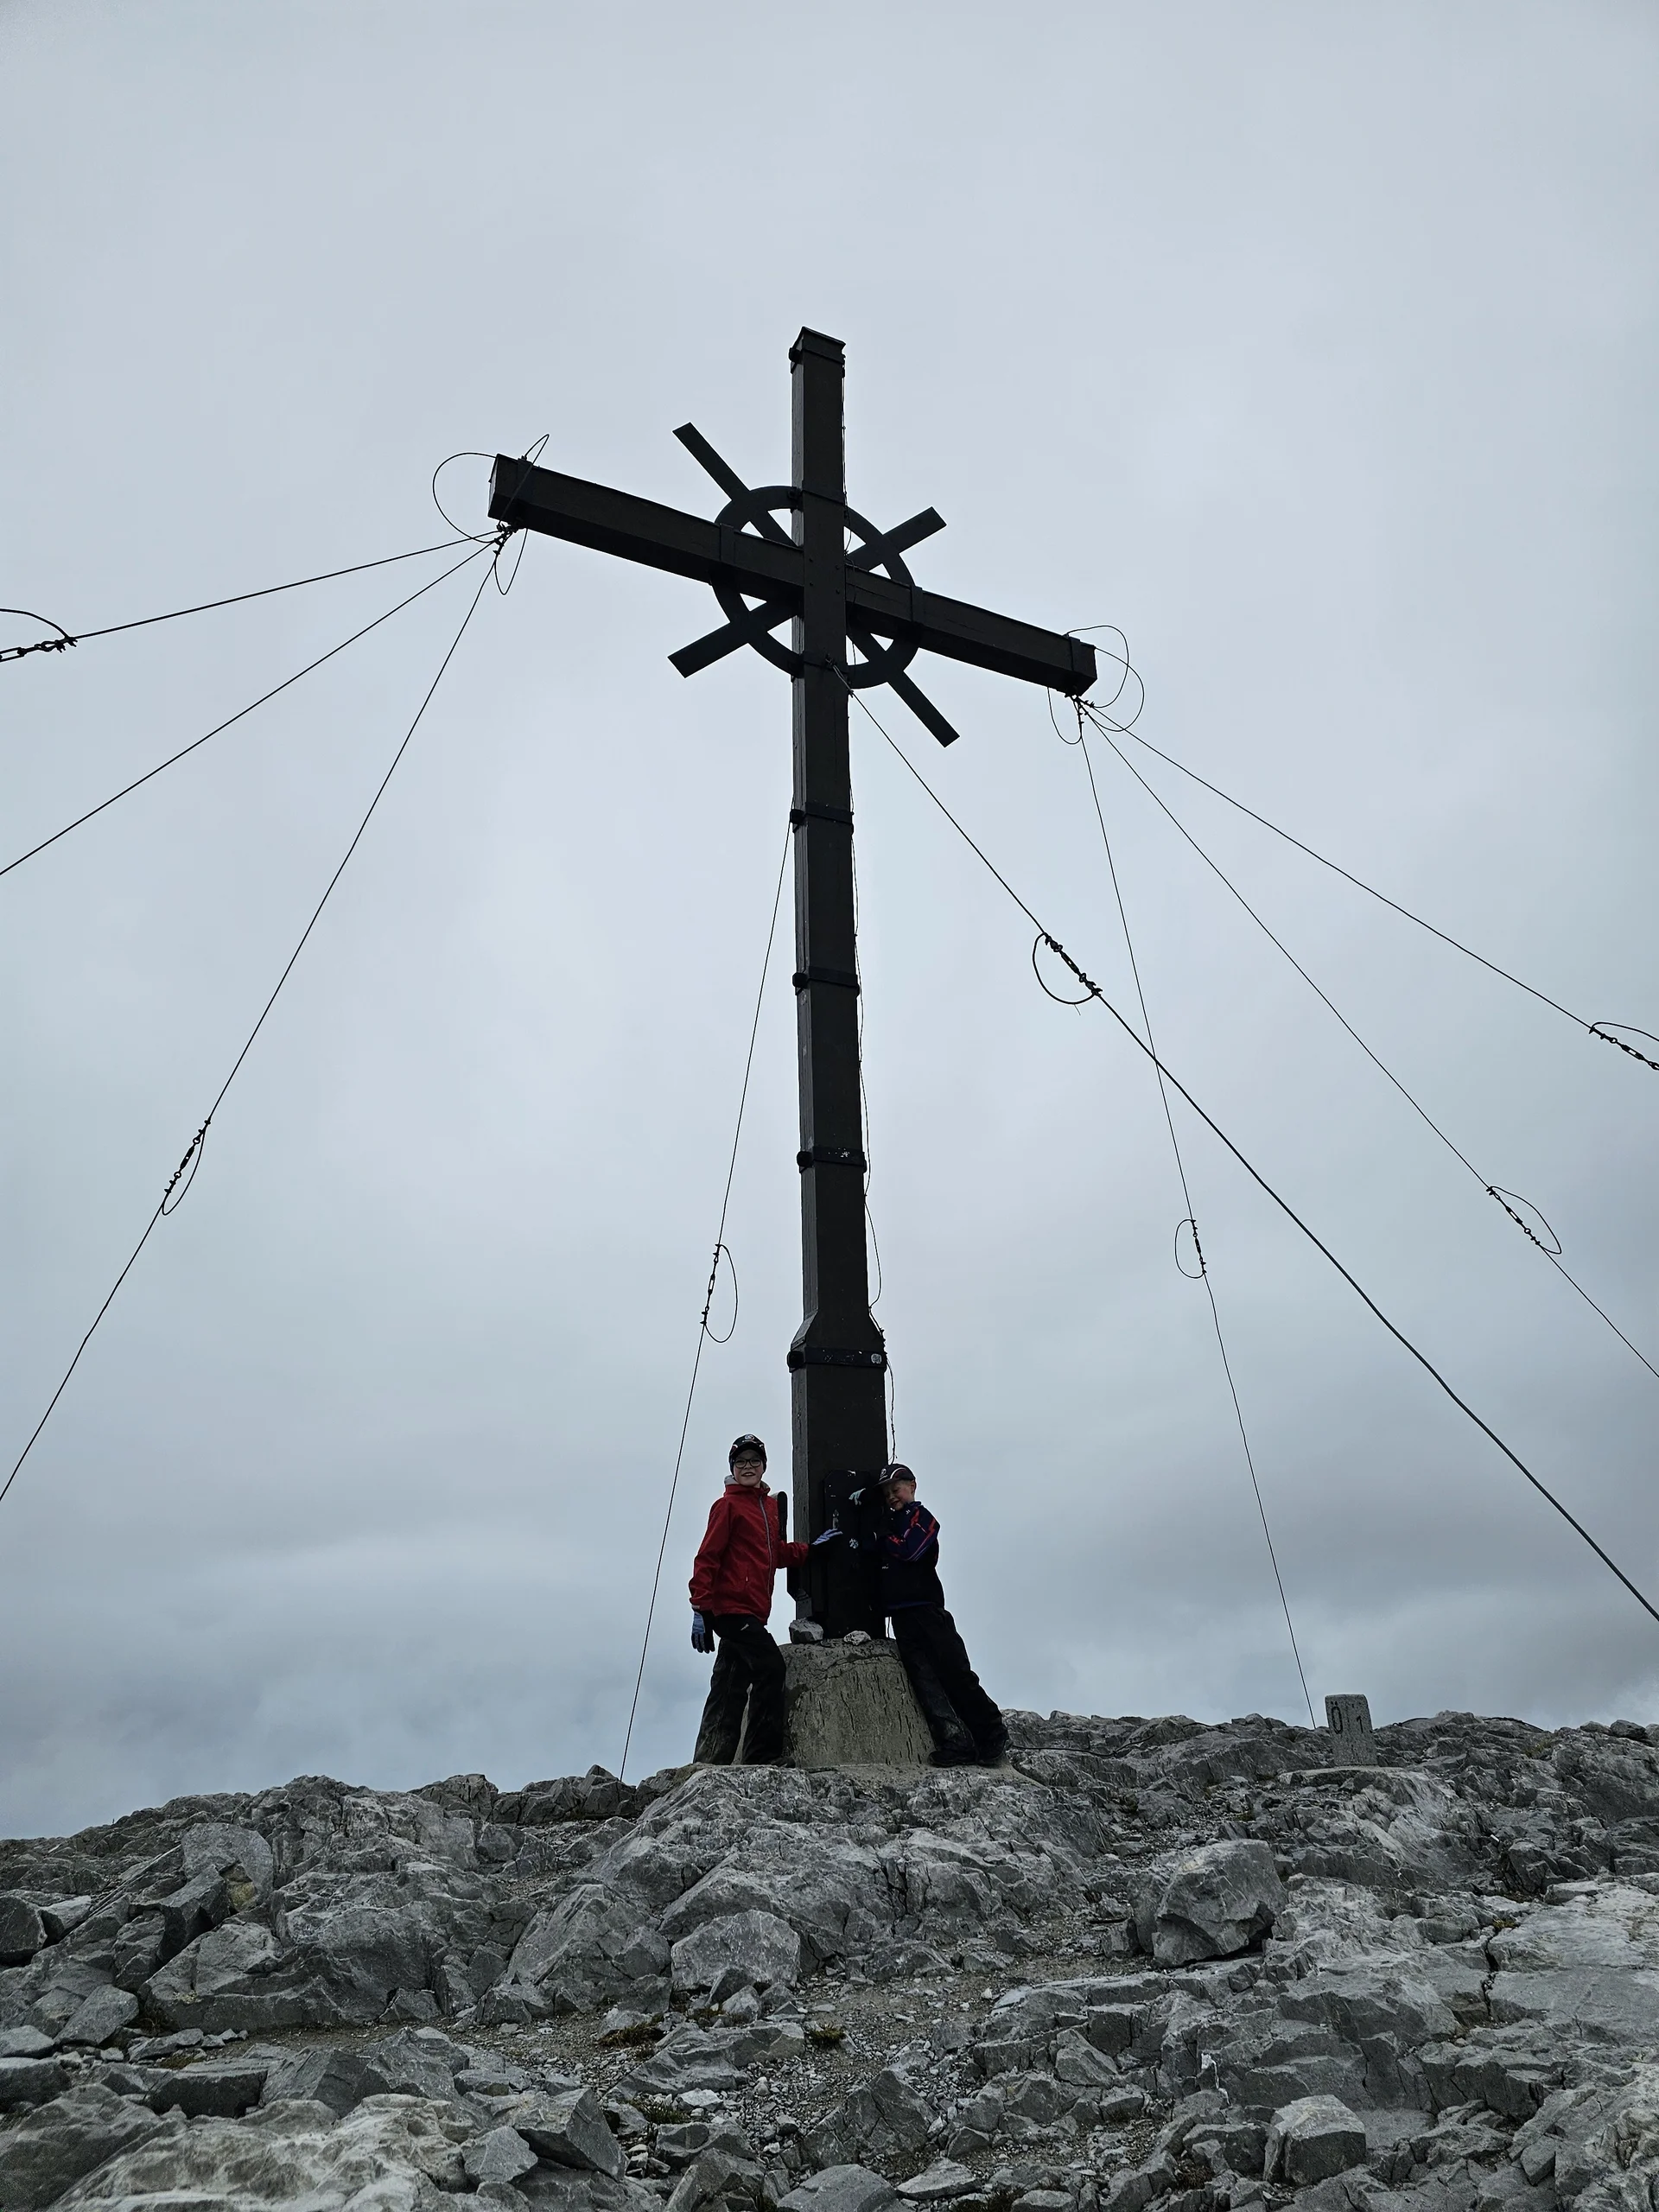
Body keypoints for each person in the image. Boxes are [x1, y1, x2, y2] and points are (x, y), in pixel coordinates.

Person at [876, 1462, 1007, 1768]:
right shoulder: (888, 1523)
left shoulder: (924, 1519)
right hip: (901, 1617)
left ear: (912, 1486)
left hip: (928, 1610)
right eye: (886, 1494)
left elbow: (911, 1550)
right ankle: (956, 1742)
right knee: (925, 1682)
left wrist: (882, 1537)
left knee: (955, 1672)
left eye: (895, 1489)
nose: (892, 1497)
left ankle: (992, 1732)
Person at [689, 1433, 808, 1765]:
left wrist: (811, 1551)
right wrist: (700, 1607)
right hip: (730, 1608)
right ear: (732, 1467)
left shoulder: (768, 1507)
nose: (748, 1467)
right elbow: (707, 1557)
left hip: (753, 1610)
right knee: (770, 1668)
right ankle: (760, 1757)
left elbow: (773, 1553)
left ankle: (711, 1762)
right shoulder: (726, 1506)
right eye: (741, 1462)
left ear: (764, 1466)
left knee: (730, 1683)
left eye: (754, 1461)